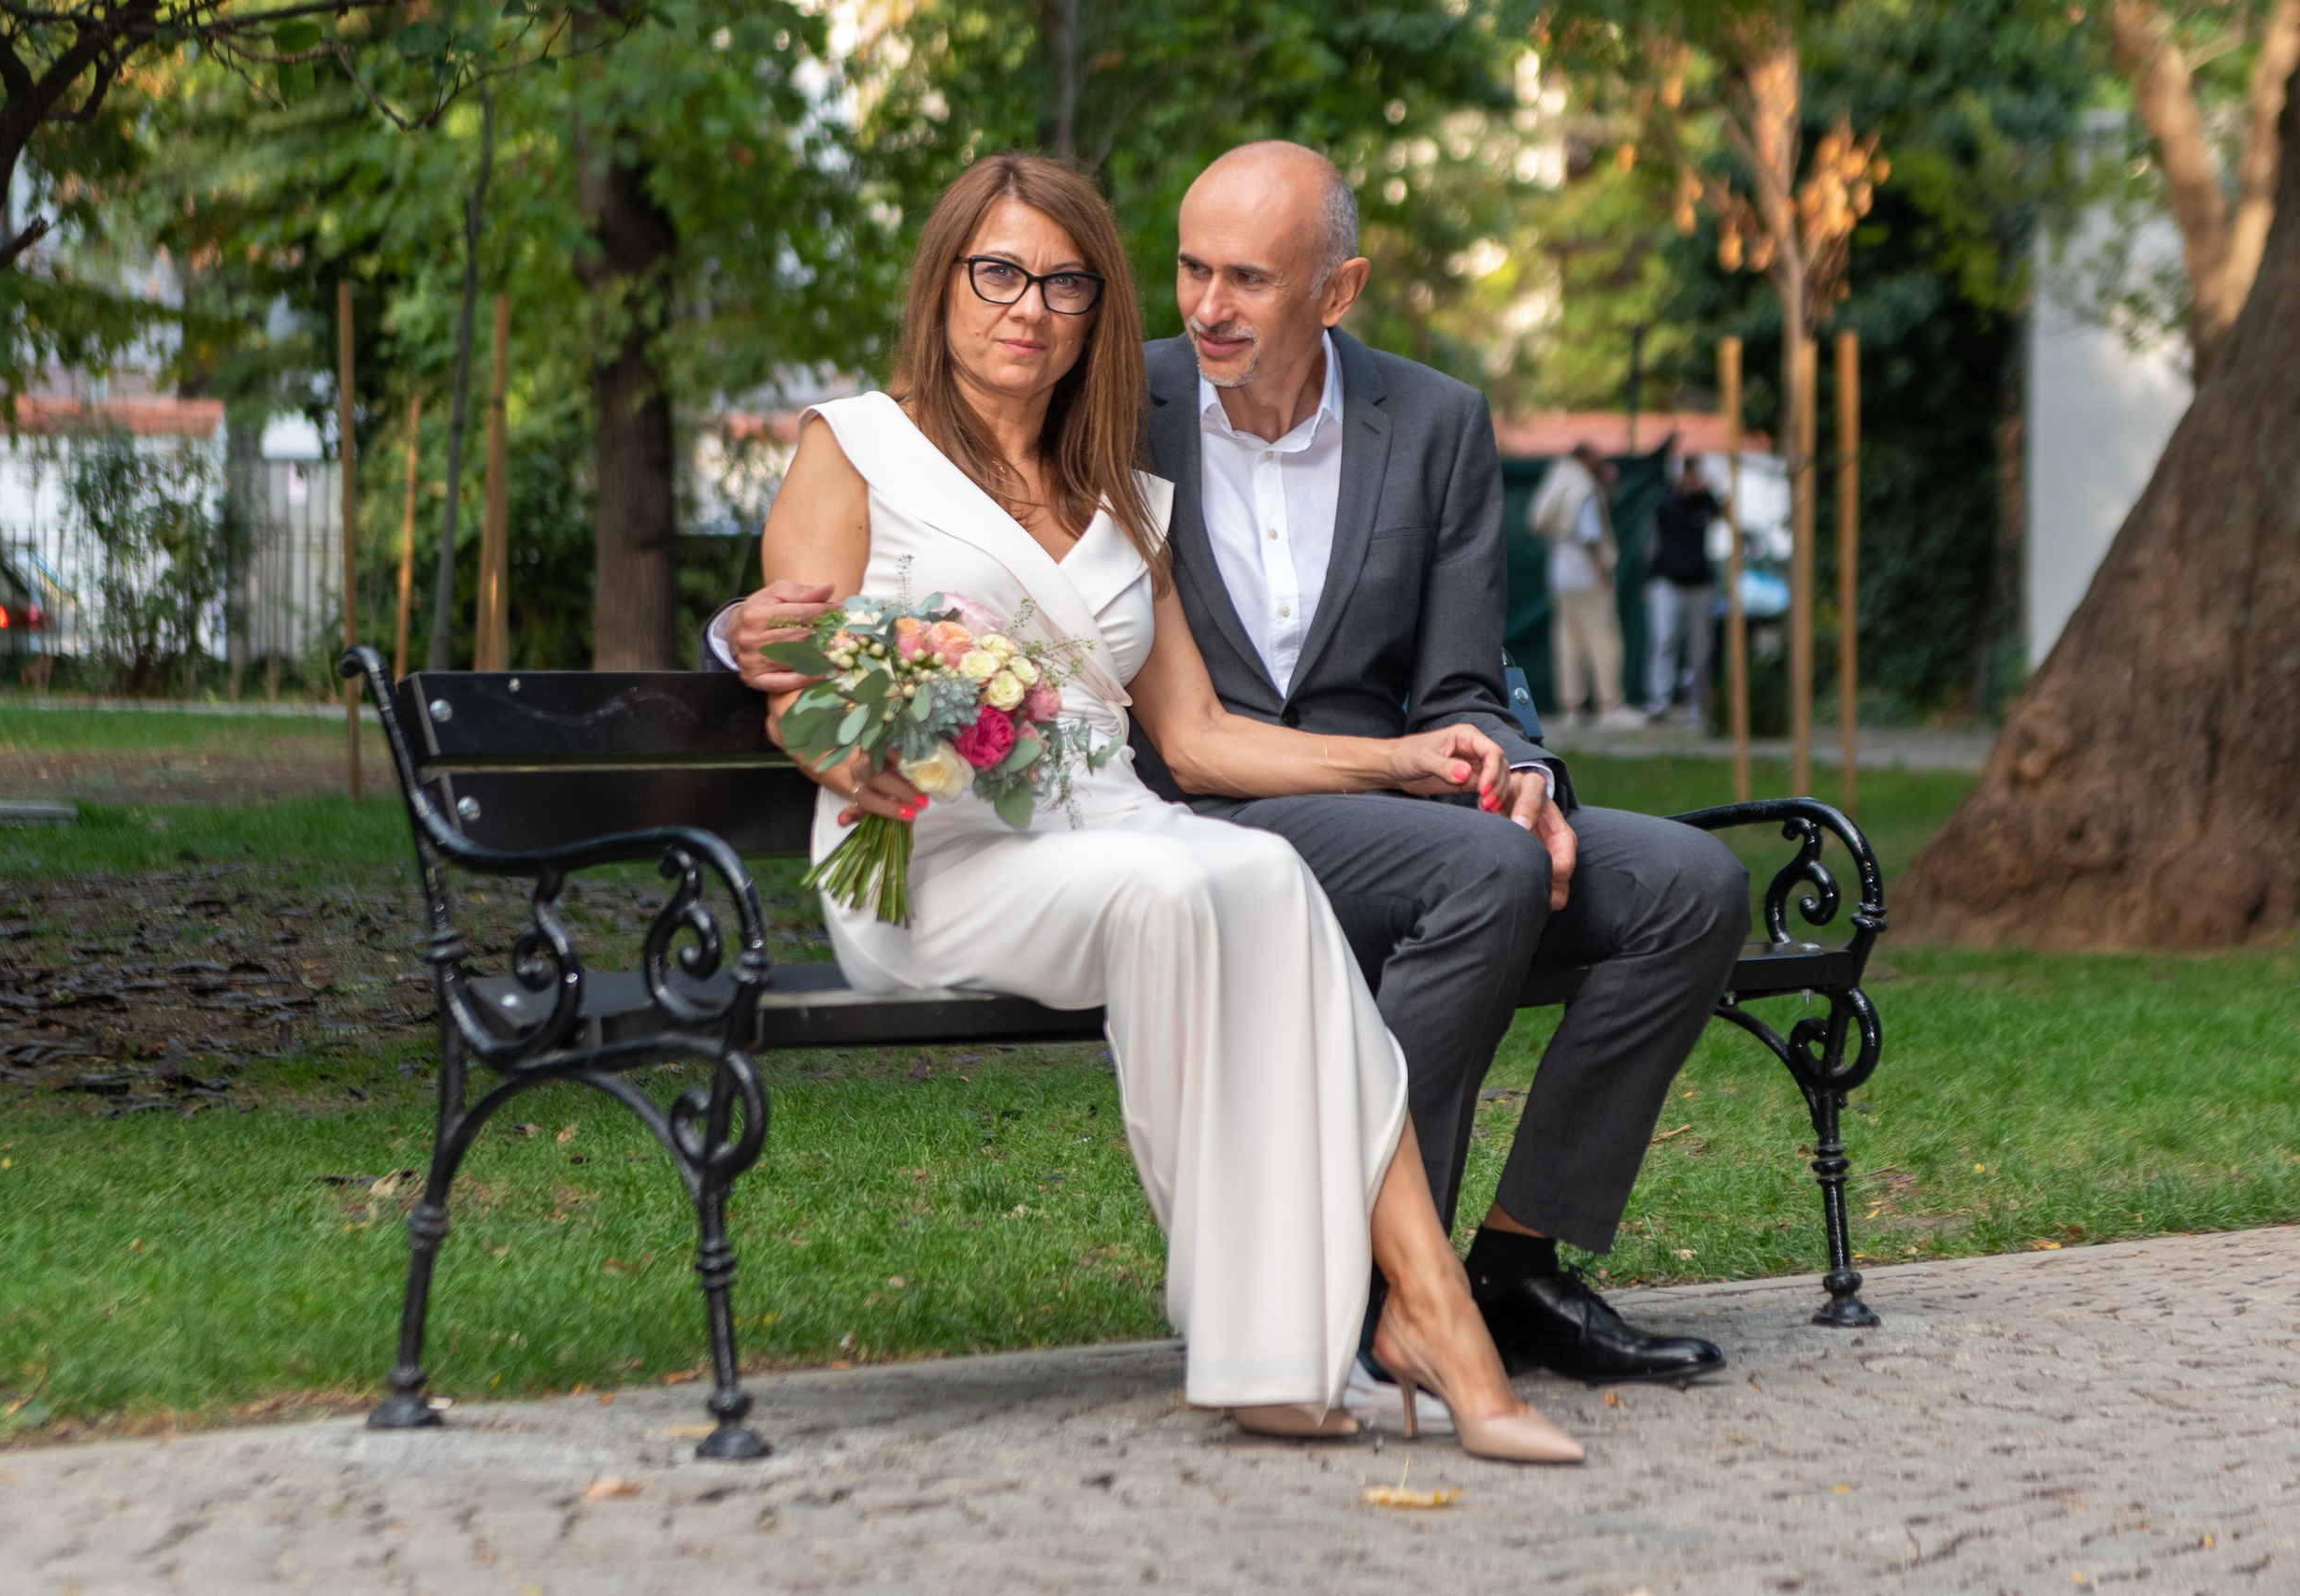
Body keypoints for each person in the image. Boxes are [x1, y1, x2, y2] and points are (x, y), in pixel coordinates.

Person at [717, 142, 1747, 1423]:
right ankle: (1376, 1294)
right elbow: (846, 585)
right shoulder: (1111, 404)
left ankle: (1517, 1263)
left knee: (1691, 882)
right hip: (1167, 816)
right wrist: (764, 654)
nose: (1206, 306)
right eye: (1191, 270)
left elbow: (1464, 680)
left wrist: (1506, 765)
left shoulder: (1424, 425)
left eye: (1249, 277)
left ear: (1337, 287)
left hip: (1356, 802)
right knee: (1472, 872)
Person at [1531, 443, 1643, 729]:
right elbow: (1590, 533)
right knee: (1604, 639)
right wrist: (1602, 570)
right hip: (1587, 576)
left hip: (1560, 577)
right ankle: (1609, 705)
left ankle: (1571, 707)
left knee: (1568, 643)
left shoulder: (1558, 480)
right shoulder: (1583, 488)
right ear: (1586, 459)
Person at [1644, 459, 1722, 726]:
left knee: (1700, 650)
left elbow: (1721, 513)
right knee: (1664, 641)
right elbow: (1652, 542)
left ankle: (1698, 706)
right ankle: (1659, 702)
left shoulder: (1704, 503)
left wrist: (1707, 492)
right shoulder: (1665, 504)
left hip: (1699, 585)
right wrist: (1650, 579)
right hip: (1670, 582)